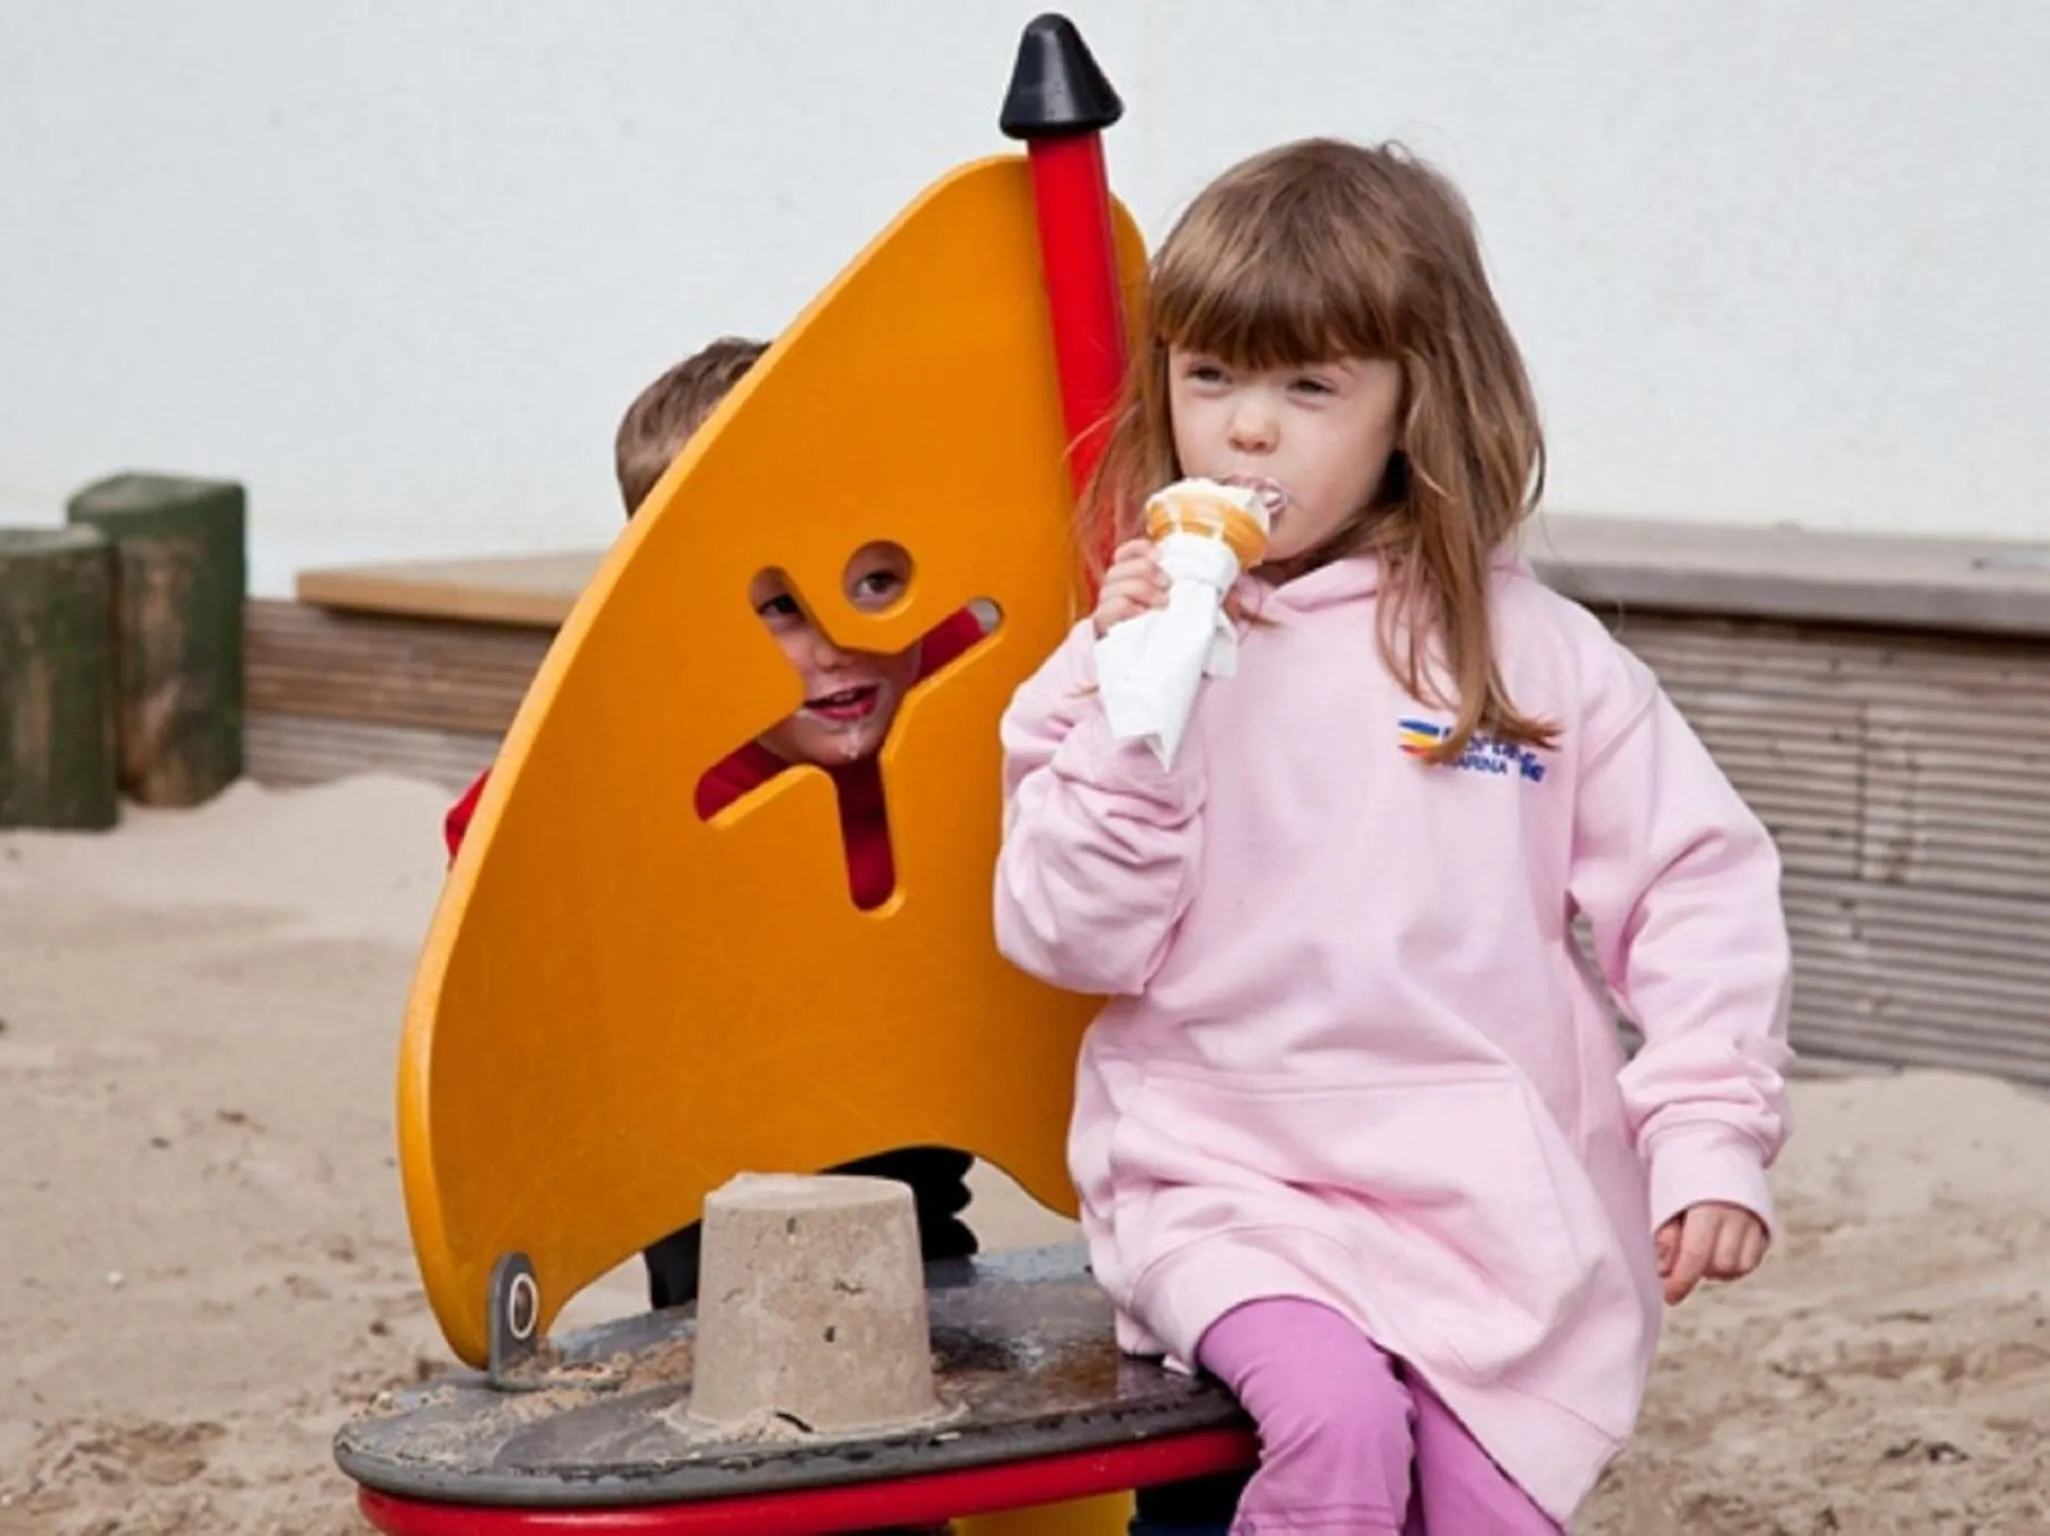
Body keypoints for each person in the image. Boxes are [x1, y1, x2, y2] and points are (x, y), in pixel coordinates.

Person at [993, 139, 1793, 1535]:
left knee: (1494, 1506)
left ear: (1415, 404)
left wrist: (1709, 1131)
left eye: (1309, 386)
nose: (1247, 431)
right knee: (1335, 1426)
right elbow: (1067, 936)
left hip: (1484, 1193)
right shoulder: (1112, 665)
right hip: (1224, 1173)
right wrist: (1134, 708)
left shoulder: (1530, 656)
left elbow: (1693, 885)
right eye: (1210, 377)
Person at [445, 334, 981, 1314]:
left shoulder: (945, 679)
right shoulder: (676, 757)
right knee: (714, 1321)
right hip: (711, 1147)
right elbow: (492, 847)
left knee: (933, 1283)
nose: (830, 648)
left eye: (868, 584)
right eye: (778, 608)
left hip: (905, 1102)